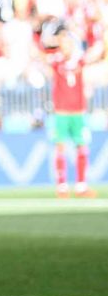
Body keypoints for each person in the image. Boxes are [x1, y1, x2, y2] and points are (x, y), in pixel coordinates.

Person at [39, 20, 102, 198]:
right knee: (60, 148)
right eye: (63, 43)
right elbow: (40, 52)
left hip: (78, 112)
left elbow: (96, 52)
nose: (65, 46)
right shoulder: (55, 61)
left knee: (81, 147)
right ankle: (62, 186)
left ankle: (81, 186)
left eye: (68, 43)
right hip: (61, 112)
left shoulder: (79, 61)